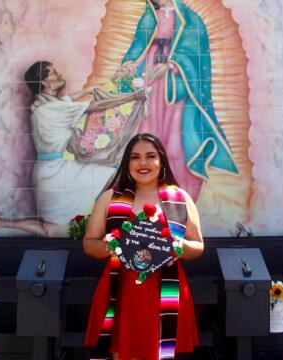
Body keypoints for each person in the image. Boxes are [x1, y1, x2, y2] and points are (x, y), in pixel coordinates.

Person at [0, 61, 146, 237]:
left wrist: (85, 92)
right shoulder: (54, 109)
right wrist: (134, 97)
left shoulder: (43, 106)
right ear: (45, 82)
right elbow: (97, 106)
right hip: (56, 175)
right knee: (54, 230)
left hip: (50, 171)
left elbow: (65, 101)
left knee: (51, 230)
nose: (60, 75)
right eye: (54, 73)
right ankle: (119, 224)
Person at [83, 133, 204, 360]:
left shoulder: (179, 198)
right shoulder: (111, 198)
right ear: (127, 162)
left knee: (161, 353)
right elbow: (89, 244)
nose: (143, 163)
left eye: (151, 156)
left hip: (165, 291)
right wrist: (106, 246)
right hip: (121, 292)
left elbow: (198, 246)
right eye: (135, 157)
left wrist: (180, 245)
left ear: (161, 161)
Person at [113, 0, 239, 201]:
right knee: (148, 135)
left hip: (177, 87)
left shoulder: (190, 20)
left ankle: (178, 199)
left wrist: (173, 64)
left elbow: (197, 55)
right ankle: (146, 198)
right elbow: (138, 45)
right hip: (151, 81)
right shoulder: (148, 17)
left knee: (177, 144)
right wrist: (128, 65)